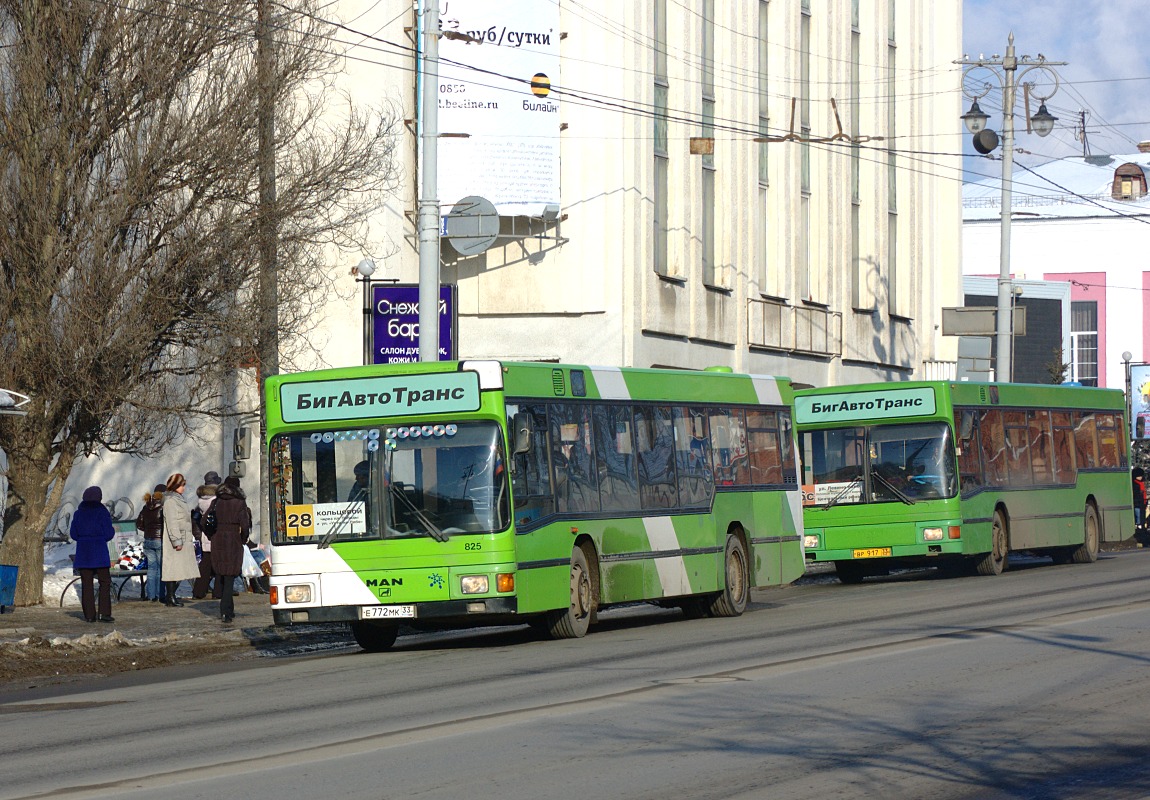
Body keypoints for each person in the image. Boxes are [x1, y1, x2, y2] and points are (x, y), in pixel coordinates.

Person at [70, 486, 115, 623]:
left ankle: (89, 615)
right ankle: (104, 613)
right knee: (104, 582)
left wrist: (84, 539)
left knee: (87, 584)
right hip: (99, 552)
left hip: (83, 553)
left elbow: (73, 534)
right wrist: (99, 538)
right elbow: (109, 533)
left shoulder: (78, 513)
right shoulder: (102, 512)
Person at [211, 475, 252, 623]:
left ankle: (229, 609)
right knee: (229, 577)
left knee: (222, 574)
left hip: (218, 538)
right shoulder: (240, 502)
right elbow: (245, 525)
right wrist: (243, 538)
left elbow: (205, 520)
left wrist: (212, 535)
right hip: (233, 539)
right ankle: (225, 611)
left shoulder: (217, 501)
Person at [161, 473, 200, 606]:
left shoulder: (177, 499)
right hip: (177, 541)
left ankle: (170, 596)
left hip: (183, 539)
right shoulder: (171, 501)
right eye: (182, 485)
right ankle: (170, 597)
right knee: (173, 570)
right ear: (176, 485)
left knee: (180, 570)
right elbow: (172, 522)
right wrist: (177, 541)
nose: (184, 488)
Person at [135, 483, 168, 603]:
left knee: (151, 568)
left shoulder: (146, 507)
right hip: (160, 540)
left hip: (148, 540)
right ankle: (160, 595)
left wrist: (148, 531)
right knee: (160, 569)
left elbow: (139, 524)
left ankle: (151, 596)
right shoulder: (163, 508)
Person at [192, 471, 221, 600]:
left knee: (205, 564)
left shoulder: (201, 500)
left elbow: (196, 518)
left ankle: (199, 590)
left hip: (205, 535)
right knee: (219, 563)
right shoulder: (216, 499)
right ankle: (218, 591)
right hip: (216, 534)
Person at [1133, 467, 1147, 531]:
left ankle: (1140, 525)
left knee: (1140, 516)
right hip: (1138, 503)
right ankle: (1139, 526)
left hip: (1141, 503)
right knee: (1139, 516)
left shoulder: (1139, 483)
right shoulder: (1136, 484)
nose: (1141, 477)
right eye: (1139, 476)